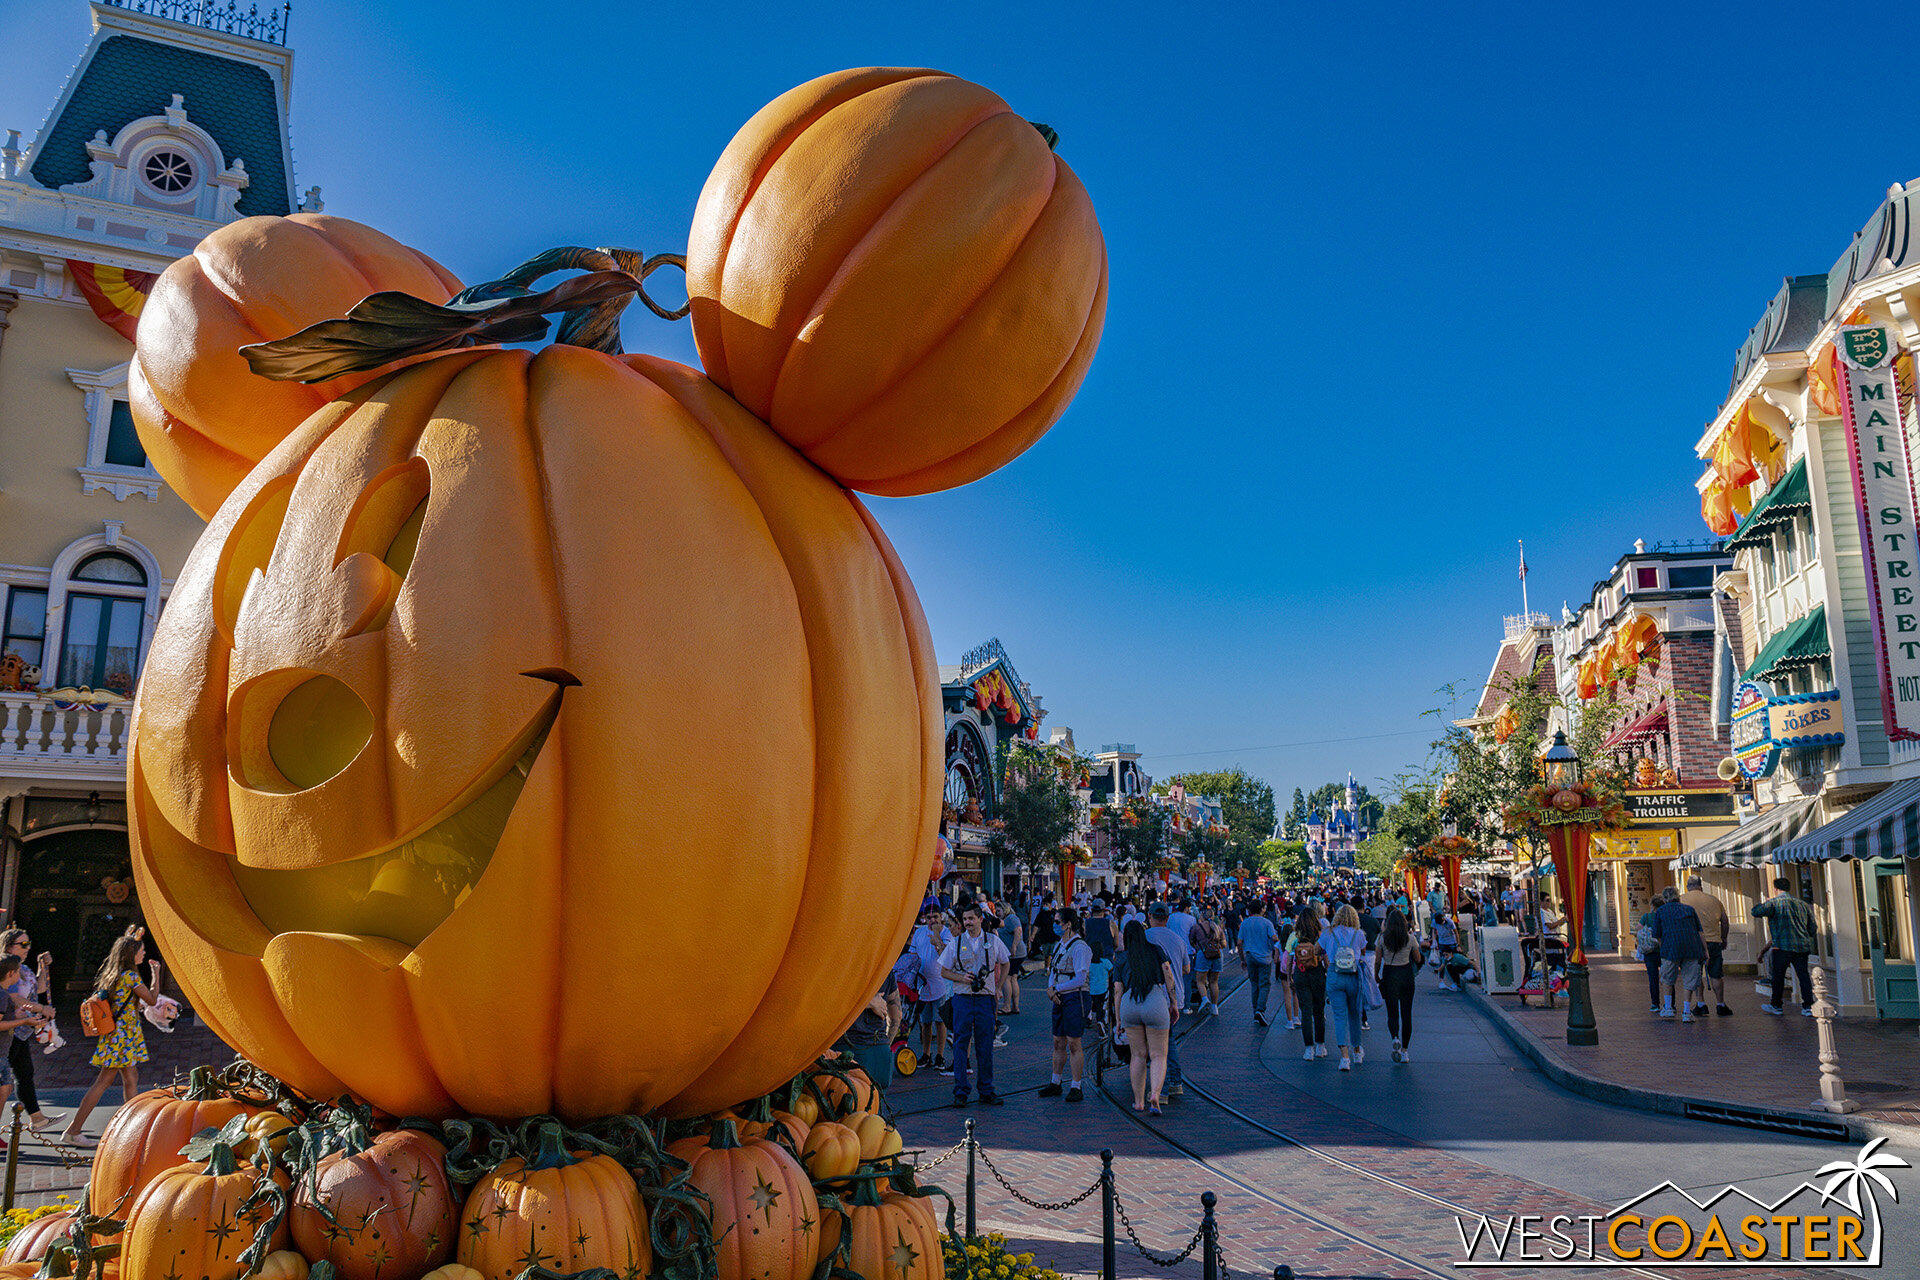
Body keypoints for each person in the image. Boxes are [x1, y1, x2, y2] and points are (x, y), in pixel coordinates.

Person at [60, 930, 163, 1146]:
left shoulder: (113, 974)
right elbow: (152, 1000)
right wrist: (156, 973)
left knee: (131, 1078)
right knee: (104, 1081)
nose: (144, 954)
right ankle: (74, 1130)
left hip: (117, 1034)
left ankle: (135, 1127)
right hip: (123, 1036)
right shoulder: (131, 976)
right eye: (141, 951)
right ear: (131, 954)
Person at [940, 904, 1010, 1107]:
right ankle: (961, 1091)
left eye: (971, 918)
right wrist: (962, 978)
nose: (968, 923)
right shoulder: (956, 942)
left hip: (985, 999)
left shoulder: (993, 941)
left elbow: (1005, 962)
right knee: (961, 1045)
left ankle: (986, 1090)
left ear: (980, 919)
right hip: (962, 998)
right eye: (965, 919)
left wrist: (999, 987)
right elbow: (944, 971)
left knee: (985, 1045)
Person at [1113, 920, 1179, 1115]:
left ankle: (1138, 1101)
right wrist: (1173, 1002)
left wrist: (1118, 1019)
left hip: (1129, 1003)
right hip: (1155, 1000)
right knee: (1159, 1055)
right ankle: (1156, 1095)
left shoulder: (1122, 958)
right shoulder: (1156, 950)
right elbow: (1168, 974)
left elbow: (1118, 990)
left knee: (1137, 1055)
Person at [1, 930, 56, 1133]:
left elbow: (39, 990)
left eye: (28, 943)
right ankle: (36, 1117)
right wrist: (41, 1009)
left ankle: (37, 1118)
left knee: (23, 1074)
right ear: (8, 946)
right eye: (22, 944)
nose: (28, 948)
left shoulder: (22, 969)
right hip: (9, 1030)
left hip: (22, 1030)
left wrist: (43, 967)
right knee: (5, 1082)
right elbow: (13, 997)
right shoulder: (6, 968)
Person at [1036, 909, 1092, 1102]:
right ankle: (1056, 1081)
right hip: (1059, 996)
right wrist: (1051, 988)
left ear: (1068, 924)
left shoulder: (1080, 947)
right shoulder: (1060, 945)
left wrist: (1057, 987)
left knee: (1074, 1042)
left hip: (1074, 997)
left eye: (1058, 922)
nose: (1055, 925)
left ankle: (1076, 1085)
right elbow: (1053, 969)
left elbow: (1080, 978)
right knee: (1058, 1041)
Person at [1753, 877, 1818, 1017]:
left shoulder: (1774, 903)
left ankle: (1776, 1005)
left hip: (1782, 946)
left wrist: (1767, 901)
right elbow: (1812, 927)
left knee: (1778, 976)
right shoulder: (1802, 904)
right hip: (1801, 946)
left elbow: (1756, 911)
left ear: (1776, 889)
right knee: (1804, 976)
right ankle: (1808, 1006)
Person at [1144, 904, 1191, 1096]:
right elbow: (1187, 969)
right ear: (1168, 918)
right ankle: (1175, 1081)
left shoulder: (1145, 937)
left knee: (1157, 1044)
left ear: (1149, 916)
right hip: (1175, 996)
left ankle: (1161, 1089)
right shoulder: (1178, 939)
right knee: (1167, 1040)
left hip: (1152, 996)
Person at [1677, 877, 1732, 1017]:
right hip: (1713, 940)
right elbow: (1724, 921)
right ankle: (1720, 1004)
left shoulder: (1681, 900)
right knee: (1716, 973)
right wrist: (1723, 938)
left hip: (1692, 942)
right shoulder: (1714, 900)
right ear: (1700, 886)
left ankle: (1700, 1003)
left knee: (1695, 973)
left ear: (1688, 886)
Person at [1323, 905, 1369, 1070]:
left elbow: (1318, 950)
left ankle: (1344, 1057)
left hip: (1335, 975)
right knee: (1354, 1015)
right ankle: (1357, 1051)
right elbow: (1363, 951)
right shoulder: (1358, 934)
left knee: (1339, 1017)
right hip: (1353, 976)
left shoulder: (1328, 933)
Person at [1652, 886, 1706, 1023]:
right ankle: (1687, 1011)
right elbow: (1700, 932)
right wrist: (1705, 950)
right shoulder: (1689, 909)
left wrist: (1663, 945)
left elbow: (1656, 934)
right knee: (1690, 980)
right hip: (1692, 948)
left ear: (1664, 898)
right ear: (1678, 896)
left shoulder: (1661, 911)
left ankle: (1668, 1008)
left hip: (1670, 949)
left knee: (1667, 979)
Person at [909, 900, 952, 1072]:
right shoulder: (919, 934)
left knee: (940, 1022)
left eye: (935, 916)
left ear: (941, 917)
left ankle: (940, 1055)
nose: (933, 920)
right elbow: (912, 954)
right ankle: (926, 1054)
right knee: (925, 1022)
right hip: (922, 984)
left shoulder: (948, 933)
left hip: (942, 984)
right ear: (924, 918)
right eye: (929, 917)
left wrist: (937, 938)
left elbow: (946, 954)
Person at [1375, 907, 1421, 1062]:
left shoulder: (1382, 938)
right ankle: (1405, 1051)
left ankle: (1395, 1037)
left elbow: (1378, 960)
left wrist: (1376, 975)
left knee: (1392, 1013)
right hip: (1406, 974)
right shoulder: (1410, 939)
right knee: (1406, 1014)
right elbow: (1418, 958)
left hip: (1389, 974)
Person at [842, 974, 902, 1091]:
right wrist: (886, 1044)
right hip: (880, 1051)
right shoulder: (885, 968)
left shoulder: (844, 967)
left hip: (847, 1051)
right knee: (875, 1105)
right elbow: (896, 1017)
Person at [1290, 908, 1328, 1060]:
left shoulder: (1295, 936)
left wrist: (1289, 976)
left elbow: (1290, 958)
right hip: (1317, 973)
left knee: (1306, 1011)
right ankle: (1320, 1045)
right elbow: (1325, 957)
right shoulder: (1320, 936)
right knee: (1319, 1010)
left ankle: (1308, 1049)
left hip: (1301, 973)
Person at [1237, 904, 1279, 1026]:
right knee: (1264, 984)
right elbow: (1275, 938)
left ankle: (1255, 1011)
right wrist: (1273, 949)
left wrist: (1242, 959)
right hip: (1265, 957)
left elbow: (1239, 943)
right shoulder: (1267, 923)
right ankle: (1260, 1010)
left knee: (1254, 984)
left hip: (1250, 956)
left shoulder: (1245, 923)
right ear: (1262, 910)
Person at [1190, 909, 1225, 1014]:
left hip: (1203, 954)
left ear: (1201, 916)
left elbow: (1191, 941)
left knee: (1200, 980)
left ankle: (1204, 998)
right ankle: (1215, 1007)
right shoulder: (1217, 928)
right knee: (1214, 982)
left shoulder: (1197, 927)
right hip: (1218, 954)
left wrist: (1199, 948)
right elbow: (1224, 944)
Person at [1168, 898, 1199, 1010]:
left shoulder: (1170, 918)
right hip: (1187, 950)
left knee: (1172, 976)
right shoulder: (1191, 919)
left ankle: (1172, 1003)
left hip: (1172, 951)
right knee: (1187, 978)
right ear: (1186, 908)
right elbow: (1194, 935)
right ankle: (1186, 1005)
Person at [996, 907, 1025, 1014]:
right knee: (1013, 977)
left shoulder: (1011, 918)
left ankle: (1007, 1006)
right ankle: (1015, 1006)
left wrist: (1014, 945)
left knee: (1007, 978)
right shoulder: (1006, 920)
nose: (997, 913)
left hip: (1014, 953)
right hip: (1015, 953)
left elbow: (1018, 931)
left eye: (999, 910)